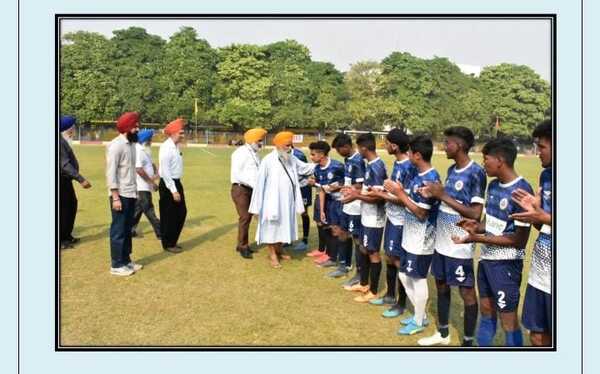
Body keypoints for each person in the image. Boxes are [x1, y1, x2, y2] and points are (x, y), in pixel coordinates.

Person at [452, 137, 533, 346]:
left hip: (506, 264)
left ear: (500, 160)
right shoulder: (494, 185)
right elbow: (490, 224)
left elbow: (519, 241)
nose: (483, 163)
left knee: (508, 320)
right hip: (486, 260)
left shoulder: (522, 191)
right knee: (486, 311)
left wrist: (478, 238)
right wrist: (474, 226)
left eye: (486, 159)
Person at [417, 126, 486, 346]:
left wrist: (442, 194)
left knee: (466, 292)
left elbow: (475, 213)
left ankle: (467, 341)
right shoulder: (451, 169)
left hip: (460, 243)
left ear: (461, 145)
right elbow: (448, 201)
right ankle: (443, 334)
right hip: (441, 241)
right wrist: (432, 194)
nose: (444, 146)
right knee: (441, 285)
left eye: (448, 143)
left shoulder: (476, 172)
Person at [385, 135, 441, 335]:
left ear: (417, 155)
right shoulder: (417, 174)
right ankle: (420, 315)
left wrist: (399, 193)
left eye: (409, 152)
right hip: (410, 235)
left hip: (422, 238)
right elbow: (410, 203)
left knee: (417, 278)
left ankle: (418, 320)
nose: (407, 155)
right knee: (403, 273)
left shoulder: (430, 179)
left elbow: (421, 212)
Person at [367, 128, 416, 319]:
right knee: (389, 256)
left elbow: (405, 198)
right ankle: (389, 295)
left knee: (398, 259)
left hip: (402, 221)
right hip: (392, 216)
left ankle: (401, 303)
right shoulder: (397, 164)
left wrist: (381, 194)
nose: (384, 145)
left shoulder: (408, 167)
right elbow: (394, 192)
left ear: (394, 146)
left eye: (386, 143)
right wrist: (382, 192)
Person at [248, 131, 315, 268]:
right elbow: (259, 185)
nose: (290, 148)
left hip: (287, 202)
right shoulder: (268, 160)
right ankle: (272, 254)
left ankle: (279, 249)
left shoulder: (291, 158)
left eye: (291, 145)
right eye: (287, 145)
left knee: (284, 226)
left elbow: (305, 168)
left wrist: (322, 164)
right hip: (271, 202)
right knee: (272, 228)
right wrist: (256, 207)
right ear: (278, 145)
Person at [513, 120, 553, 346]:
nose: (538, 152)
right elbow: (544, 226)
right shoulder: (546, 177)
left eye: (542, 147)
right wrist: (534, 214)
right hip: (540, 272)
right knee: (537, 336)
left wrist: (543, 217)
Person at [341, 133, 387, 303]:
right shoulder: (370, 165)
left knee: (373, 253)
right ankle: (363, 283)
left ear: (364, 148)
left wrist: (356, 196)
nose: (357, 151)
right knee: (363, 248)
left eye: (358, 148)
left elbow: (378, 197)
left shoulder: (377, 167)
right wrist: (355, 192)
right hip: (366, 215)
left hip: (374, 218)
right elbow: (368, 192)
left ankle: (373, 291)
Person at [106, 111, 141, 276]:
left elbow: (131, 172)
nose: (138, 128)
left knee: (127, 229)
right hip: (120, 195)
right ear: (128, 128)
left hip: (131, 193)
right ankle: (116, 264)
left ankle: (126, 260)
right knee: (118, 230)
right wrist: (115, 197)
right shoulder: (116, 146)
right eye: (135, 126)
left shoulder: (132, 145)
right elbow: (111, 173)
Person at [308, 141, 349, 272]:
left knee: (341, 231)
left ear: (321, 155)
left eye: (313, 154)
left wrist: (339, 186)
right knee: (332, 229)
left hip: (342, 202)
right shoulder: (317, 169)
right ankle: (332, 257)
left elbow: (349, 183)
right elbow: (321, 190)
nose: (311, 157)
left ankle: (342, 260)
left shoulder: (338, 166)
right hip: (329, 201)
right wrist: (321, 210)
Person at [331, 133, 366, 282]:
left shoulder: (358, 160)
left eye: (339, 150)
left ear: (346, 147)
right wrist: (340, 187)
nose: (338, 153)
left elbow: (361, 184)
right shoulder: (348, 159)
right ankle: (344, 265)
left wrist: (346, 188)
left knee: (357, 239)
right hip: (346, 203)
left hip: (356, 206)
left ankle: (359, 273)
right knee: (342, 233)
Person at [230, 127, 267, 259]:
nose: (261, 144)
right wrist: (255, 185)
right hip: (241, 189)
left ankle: (242, 244)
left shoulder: (255, 154)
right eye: (259, 141)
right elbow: (237, 173)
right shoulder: (240, 153)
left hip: (252, 189)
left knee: (250, 216)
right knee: (245, 217)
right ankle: (243, 246)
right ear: (252, 140)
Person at [59, 115, 92, 249]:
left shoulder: (62, 140)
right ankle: (61, 240)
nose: (74, 129)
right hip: (61, 180)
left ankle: (67, 235)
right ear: (67, 128)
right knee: (64, 209)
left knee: (71, 205)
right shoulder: (59, 142)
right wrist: (81, 179)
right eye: (72, 127)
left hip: (66, 180)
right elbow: (64, 164)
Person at [159, 118, 187, 253]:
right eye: (181, 133)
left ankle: (172, 241)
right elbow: (165, 171)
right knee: (169, 215)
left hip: (176, 182)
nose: (183, 135)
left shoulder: (176, 146)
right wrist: (174, 191)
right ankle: (168, 243)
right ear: (173, 133)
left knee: (180, 213)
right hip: (168, 183)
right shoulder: (166, 148)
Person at [131, 129, 161, 240]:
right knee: (149, 209)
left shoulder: (145, 149)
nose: (152, 141)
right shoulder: (138, 150)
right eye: (150, 139)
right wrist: (151, 182)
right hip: (141, 186)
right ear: (145, 140)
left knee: (138, 209)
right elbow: (138, 169)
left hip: (145, 186)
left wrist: (156, 172)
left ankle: (129, 230)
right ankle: (160, 232)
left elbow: (151, 163)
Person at [292, 145, 312, 251]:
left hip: (303, 187)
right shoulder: (281, 154)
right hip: (290, 187)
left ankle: (305, 240)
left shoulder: (298, 154)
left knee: (303, 212)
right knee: (288, 212)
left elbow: (305, 170)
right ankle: (288, 239)